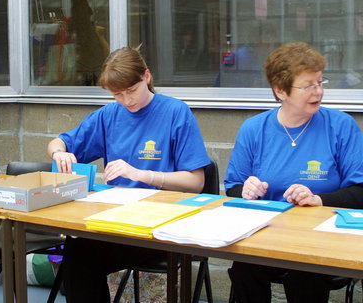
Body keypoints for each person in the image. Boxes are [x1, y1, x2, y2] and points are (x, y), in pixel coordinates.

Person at [47, 46, 211, 302]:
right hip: (119, 221)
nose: (127, 100)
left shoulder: (175, 112)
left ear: (146, 76)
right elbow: (59, 142)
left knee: (83, 256)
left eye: (131, 91)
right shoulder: (109, 115)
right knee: (78, 252)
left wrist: (143, 174)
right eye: (117, 95)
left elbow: (196, 182)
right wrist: (59, 153)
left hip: (160, 225)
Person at [224, 42, 363, 303]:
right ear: (280, 90)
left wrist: (319, 199)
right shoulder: (254, 129)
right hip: (268, 236)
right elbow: (233, 187)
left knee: (304, 273)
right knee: (244, 267)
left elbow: (360, 191)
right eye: (308, 85)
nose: (318, 91)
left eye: (321, 82)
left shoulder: (341, 126)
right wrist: (246, 190)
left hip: (321, 238)